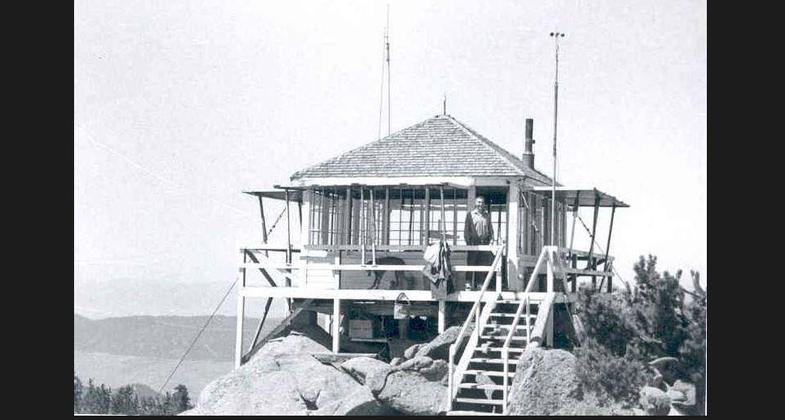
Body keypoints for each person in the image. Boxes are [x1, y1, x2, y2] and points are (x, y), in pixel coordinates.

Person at [464, 196, 494, 289]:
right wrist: (469, 243)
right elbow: (466, 231)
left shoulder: (487, 216)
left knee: (482, 264)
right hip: (473, 244)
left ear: (484, 204)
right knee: (471, 263)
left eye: (482, 202)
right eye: (479, 202)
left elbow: (490, 229)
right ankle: (468, 283)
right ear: (475, 203)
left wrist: (491, 239)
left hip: (484, 244)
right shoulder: (470, 215)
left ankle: (479, 284)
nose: (480, 204)